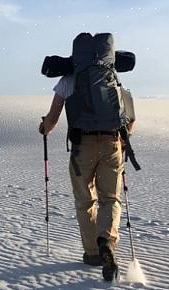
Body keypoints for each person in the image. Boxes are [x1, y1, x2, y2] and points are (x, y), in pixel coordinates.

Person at [38, 32, 135, 282]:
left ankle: (92, 253)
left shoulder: (68, 79)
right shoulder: (112, 76)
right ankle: (107, 242)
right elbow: (130, 120)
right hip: (112, 143)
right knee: (110, 198)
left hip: (82, 147)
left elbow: (52, 119)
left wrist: (44, 128)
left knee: (85, 200)